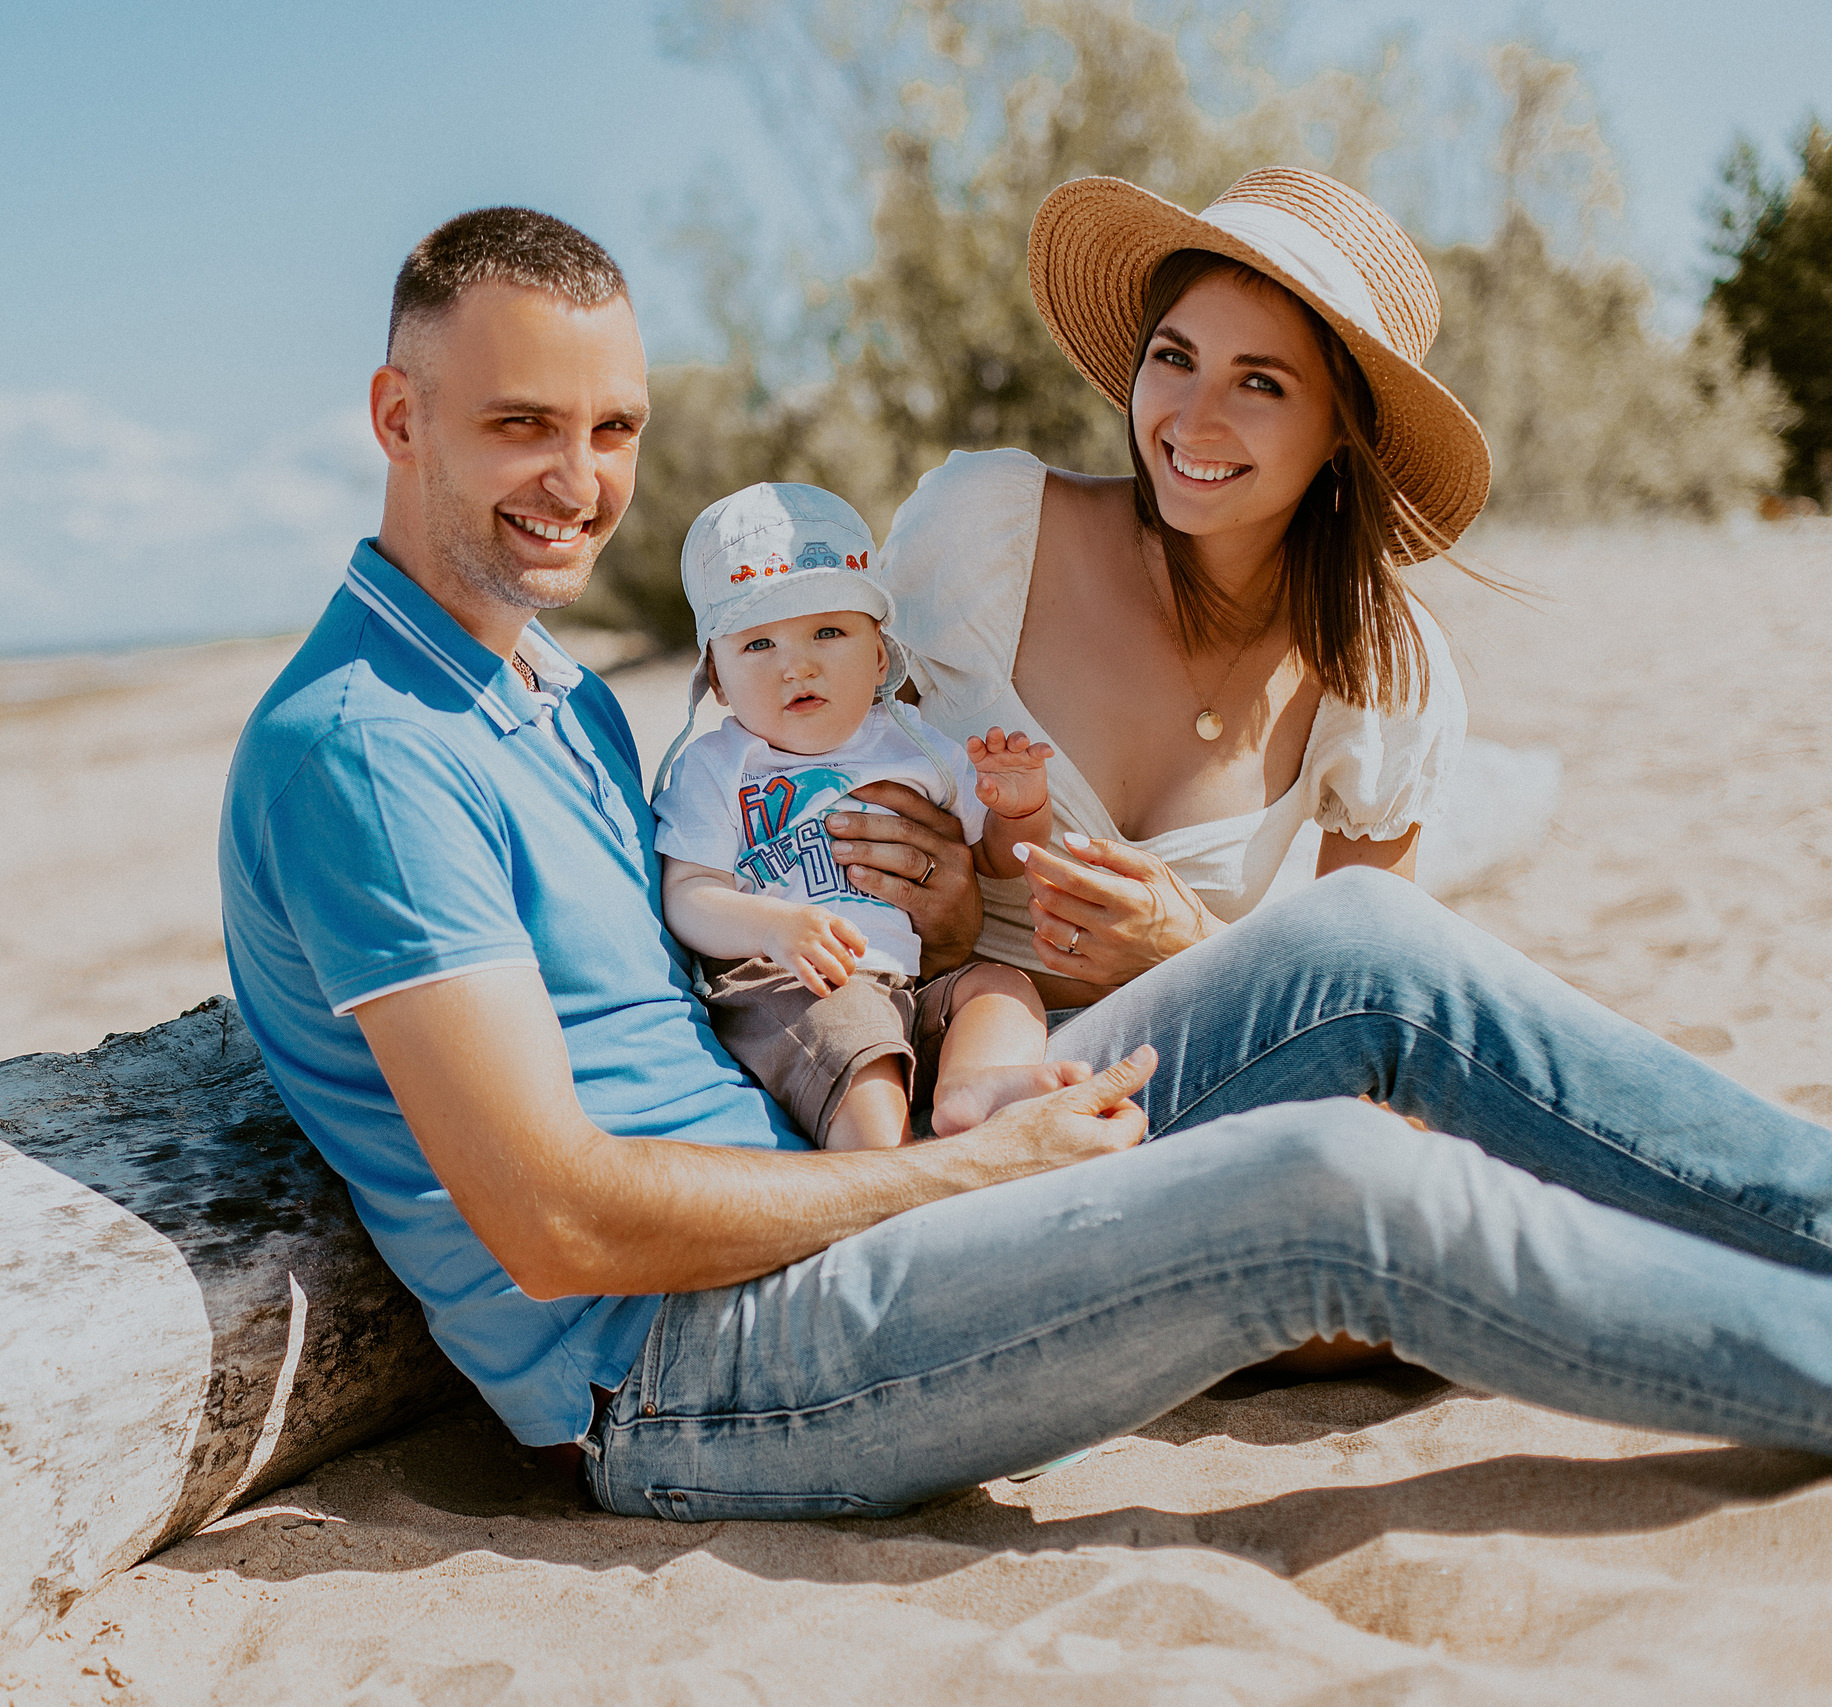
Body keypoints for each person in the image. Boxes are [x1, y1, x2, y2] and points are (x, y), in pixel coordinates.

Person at [218, 202, 1832, 1521]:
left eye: (614, 428)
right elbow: (559, 1223)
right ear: (395, 415)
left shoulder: (540, 689)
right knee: (1333, 1191)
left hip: (826, 1206)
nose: (580, 484)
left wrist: (931, 981)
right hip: (681, 1374)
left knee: (1367, 945)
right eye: (521, 427)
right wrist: (976, 1167)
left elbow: (726, 959)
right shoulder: (367, 749)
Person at [840, 168, 1489, 1016]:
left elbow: (1369, 1009)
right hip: (901, 1052)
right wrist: (951, 917)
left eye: (1261, 382)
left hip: (1177, 1079)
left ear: (1342, 431)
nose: (1191, 419)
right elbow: (798, 761)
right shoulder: (986, 535)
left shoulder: (1379, 665)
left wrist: (1191, 949)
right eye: (1174, 357)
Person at [649, 480, 1063, 1151]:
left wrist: (1022, 809)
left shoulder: (916, 743)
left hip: (906, 985)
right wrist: (775, 927)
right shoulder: (719, 765)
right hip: (793, 987)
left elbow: (996, 857)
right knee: (861, 1058)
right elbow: (689, 894)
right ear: (717, 680)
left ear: (878, 656)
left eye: (828, 631)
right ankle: (886, 1172)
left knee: (999, 986)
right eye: (759, 645)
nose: (798, 664)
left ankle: (971, 1086)